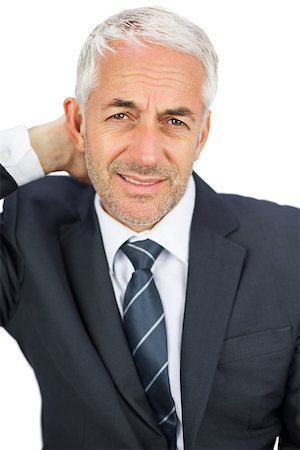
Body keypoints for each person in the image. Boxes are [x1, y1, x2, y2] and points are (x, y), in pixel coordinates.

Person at [0, 6, 299, 450]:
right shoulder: (29, 230)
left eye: (175, 121)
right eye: (120, 115)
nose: (146, 154)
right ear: (79, 121)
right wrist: (46, 147)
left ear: (202, 134)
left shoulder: (288, 245)